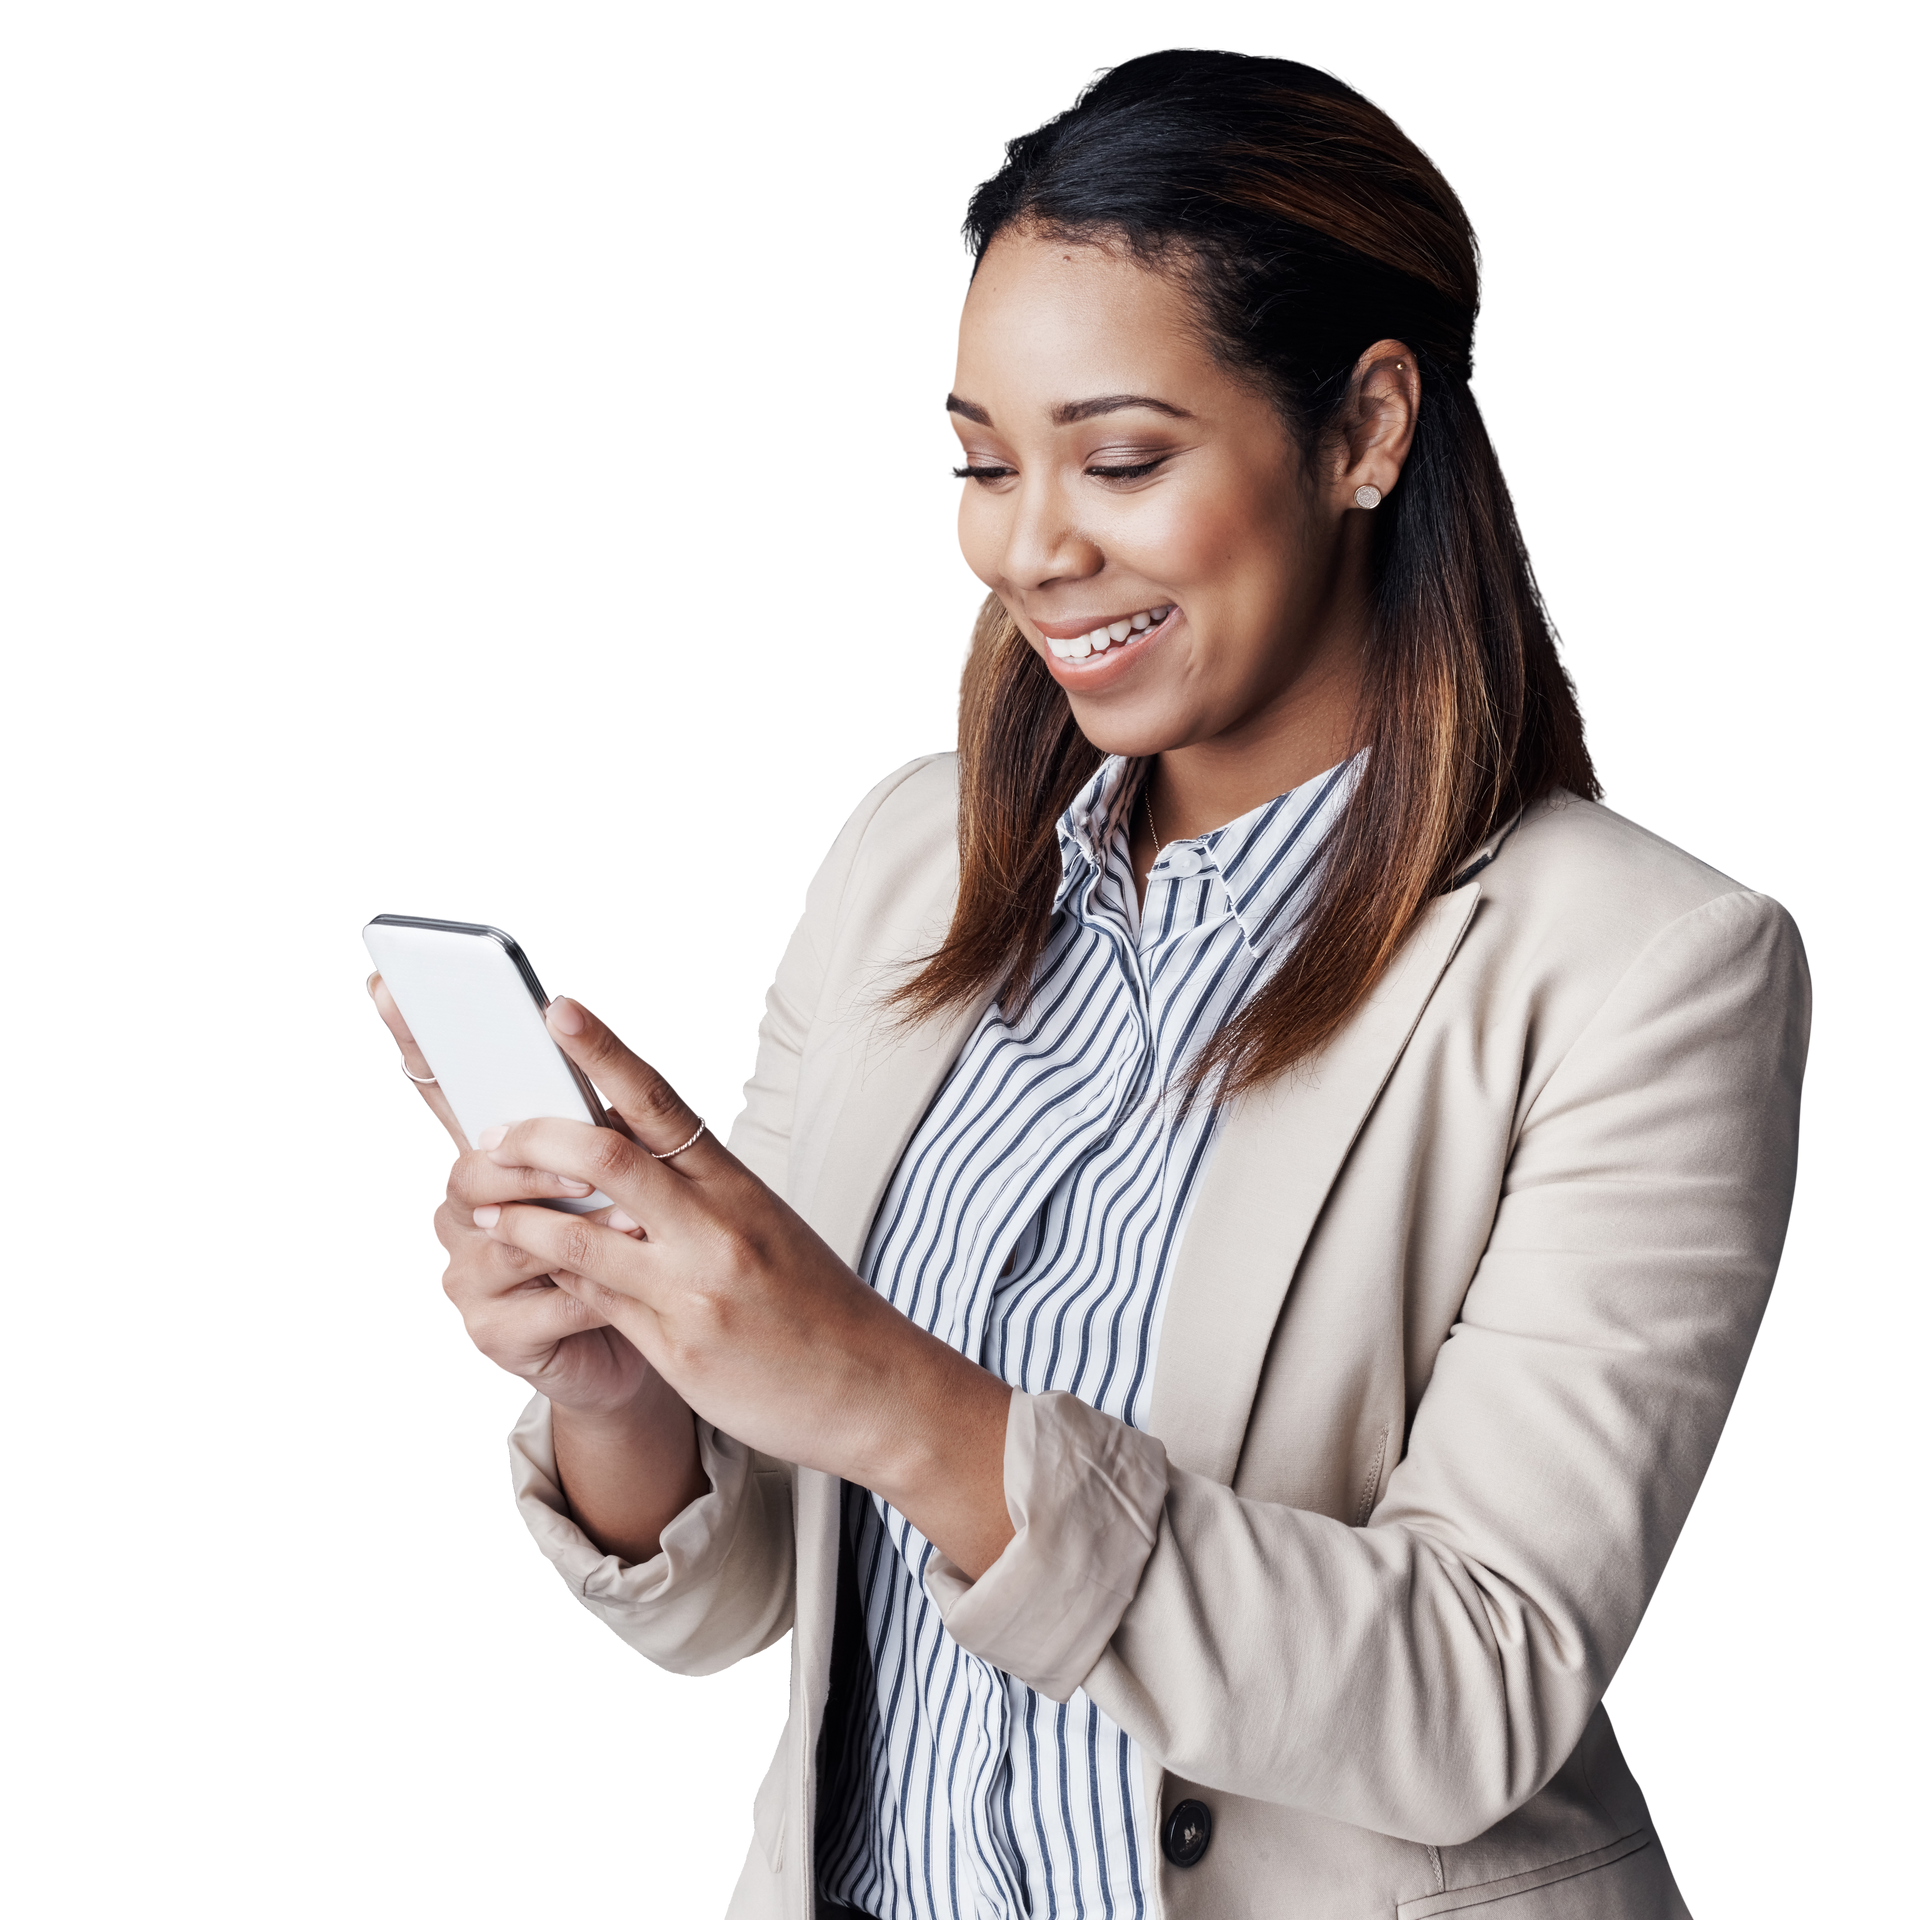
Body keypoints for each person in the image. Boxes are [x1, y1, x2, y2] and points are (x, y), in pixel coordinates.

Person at [369, 48, 1810, 1919]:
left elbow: (1476, 1690)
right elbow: (750, 1608)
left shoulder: (1645, 970)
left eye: (1121, 459)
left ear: (1367, 428)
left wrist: (891, 1396)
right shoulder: (910, 857)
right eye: (982, 461)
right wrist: (623, 1385)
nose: (1029, 548)